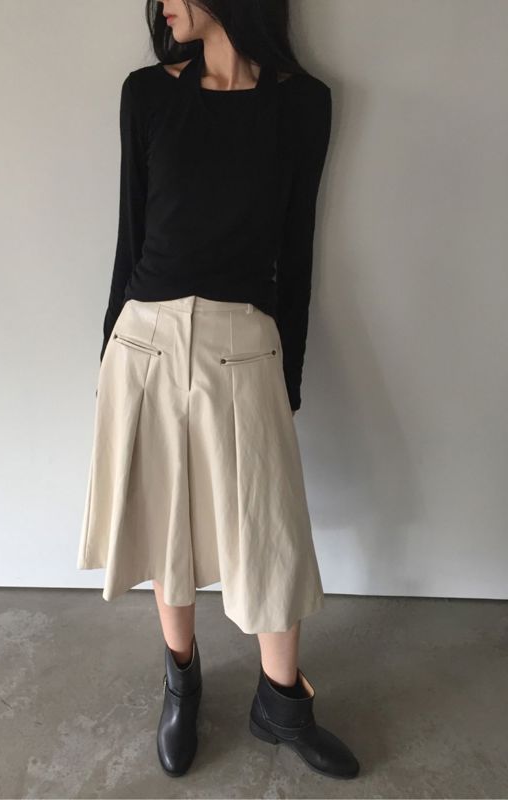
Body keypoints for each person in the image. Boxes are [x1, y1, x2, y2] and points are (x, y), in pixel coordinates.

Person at [78, 0, 359, 781]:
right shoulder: (146, 94)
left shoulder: (303, 104)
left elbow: (295, 250)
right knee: (165, 529)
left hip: (245, 345)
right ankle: (182, 682)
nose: (161, 4)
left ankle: (282, 702)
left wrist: (286, 377)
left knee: (271, 536)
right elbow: (131, 235)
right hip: (145, 341)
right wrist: (106, 359)